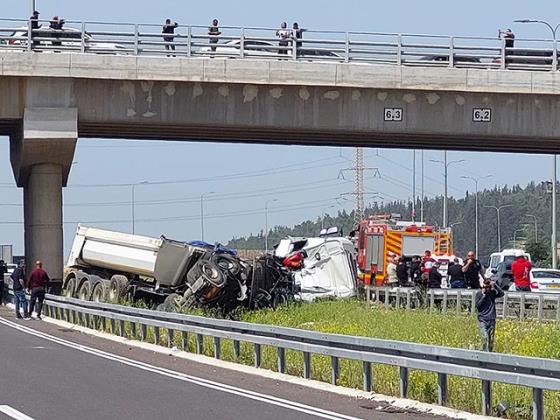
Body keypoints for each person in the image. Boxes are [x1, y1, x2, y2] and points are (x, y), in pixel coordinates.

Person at [475, 279, 504, 352]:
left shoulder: (492, 293)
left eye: (489, 287)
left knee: (491, 339)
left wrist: (495, 285)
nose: (487, 289)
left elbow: (502, 293)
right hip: (483, 319)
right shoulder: (479, 294)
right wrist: (484, 296)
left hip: (491, 318)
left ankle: (490, 352)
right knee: (484, 337)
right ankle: (484, 351)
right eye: (486, 287)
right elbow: (478, 306)